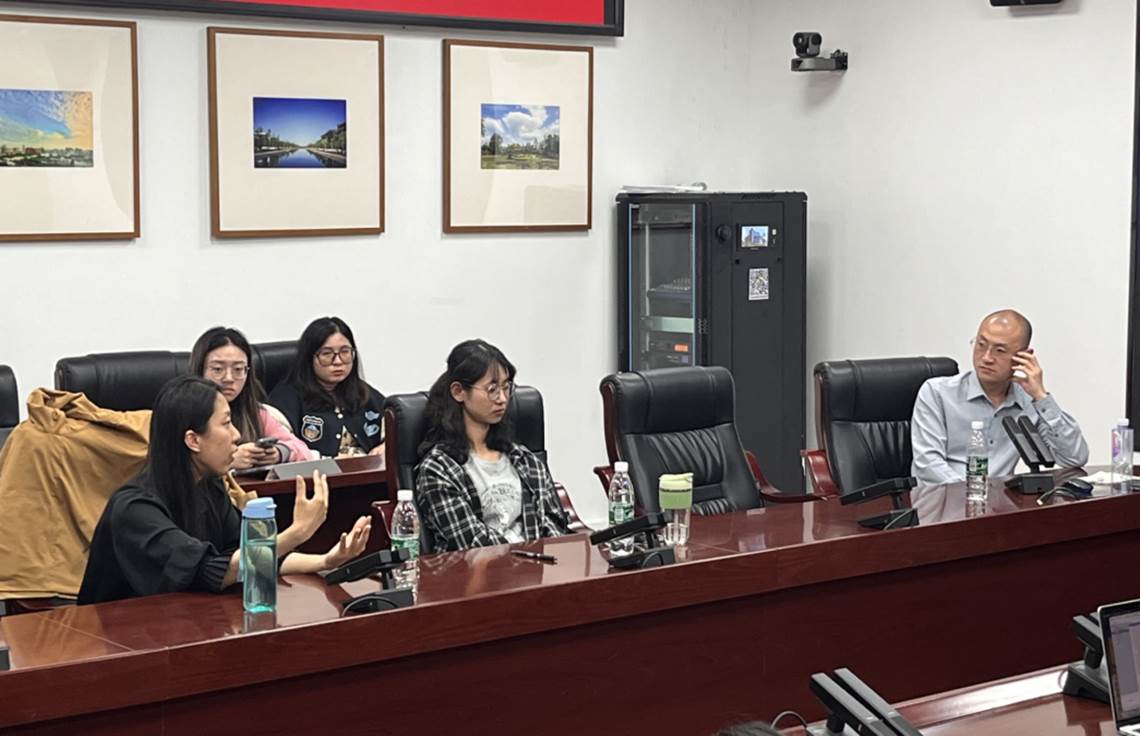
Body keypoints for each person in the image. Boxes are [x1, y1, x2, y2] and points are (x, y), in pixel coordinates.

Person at [78, 376, 371, 605]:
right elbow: (212, 571)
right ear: (193, 440)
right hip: (117, 642)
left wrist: (326, 560)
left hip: (180, 625)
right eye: (227, 423)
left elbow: (246, 555)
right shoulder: (135, 509)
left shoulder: (208, 485)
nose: (237, 435)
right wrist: (297, 532)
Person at [415, 339, 571, 551]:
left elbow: (553, 525)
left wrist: (550, 560)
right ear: (458, 392)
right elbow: (470, 542)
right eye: (492, 389)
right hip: (476, 569)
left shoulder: (523, 459)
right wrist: (526, 558)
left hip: (537, 566)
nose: (503, 399)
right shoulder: (439, 468)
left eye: (506, 387)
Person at [911, 309, 1089, 485]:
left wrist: (1041, 396)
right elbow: (928, 465)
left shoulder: (1029, 402)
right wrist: (974, 493)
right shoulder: (937, 393)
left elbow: (1074, 459)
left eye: (1000, 350)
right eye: (981, 345)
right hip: (947, 498)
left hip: (1002, 500)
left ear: (1024, 357)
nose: (986, 358)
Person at [190, 326, 313, 470]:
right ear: (200, 369)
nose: (229, 378)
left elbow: (305, 452)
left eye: (238, 369)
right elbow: (174, 467)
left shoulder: (256, 413)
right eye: (218, 369)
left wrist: (279, 453)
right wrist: (227, 460)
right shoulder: (180, 411)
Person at [269, 317, 385, 459]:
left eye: (345, 352)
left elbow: (399, 428)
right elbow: (281, 448)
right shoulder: (286, 398)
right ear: (309, 358)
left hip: (370, 471)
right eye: (327, 354)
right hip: (316, 471)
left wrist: (385, 446)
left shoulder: (363, 392)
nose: (338, 361)